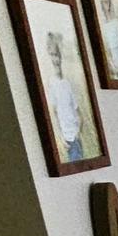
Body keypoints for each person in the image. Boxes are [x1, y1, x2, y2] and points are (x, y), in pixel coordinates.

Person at [44, 32, 90, 162]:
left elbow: (77, 110)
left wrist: (79, 130)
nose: (56, 60)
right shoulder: (52, 83)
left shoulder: (67, 83)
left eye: (57, 55)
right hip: (67, 138)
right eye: (53, 55)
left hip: (75, 135)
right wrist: (60, 137)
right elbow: (54, 112)